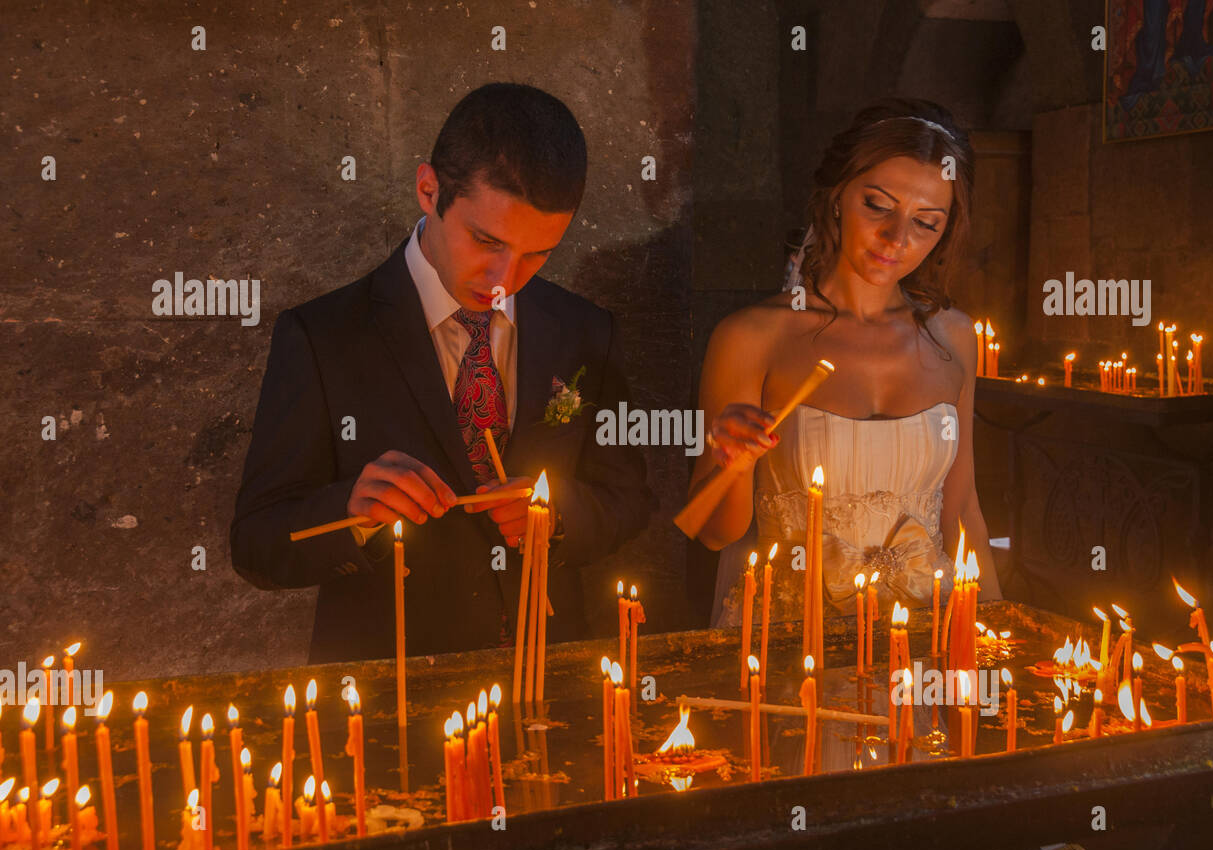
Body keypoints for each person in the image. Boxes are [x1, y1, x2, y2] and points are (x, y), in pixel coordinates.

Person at [231, 83, 654, 663]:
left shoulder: (584, 330)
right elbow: (255, 545)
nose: (507, 277)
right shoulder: (323, 337)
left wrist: (556, 514)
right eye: (487, 241)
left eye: (538, 254)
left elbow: (628, 500)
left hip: (547, 678)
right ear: (429, 190)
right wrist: (351, 514)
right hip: (388, 695)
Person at [691, 98, 1002, 626]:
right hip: (792, 634)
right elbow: (714, 532)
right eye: (878, 206)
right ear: (837, 198)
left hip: (928, 628)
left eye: (926, 222)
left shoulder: (955, 336)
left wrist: (998, 633)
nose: (897, 238)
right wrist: (730, 462)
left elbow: (962, 506)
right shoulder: (752, 336)